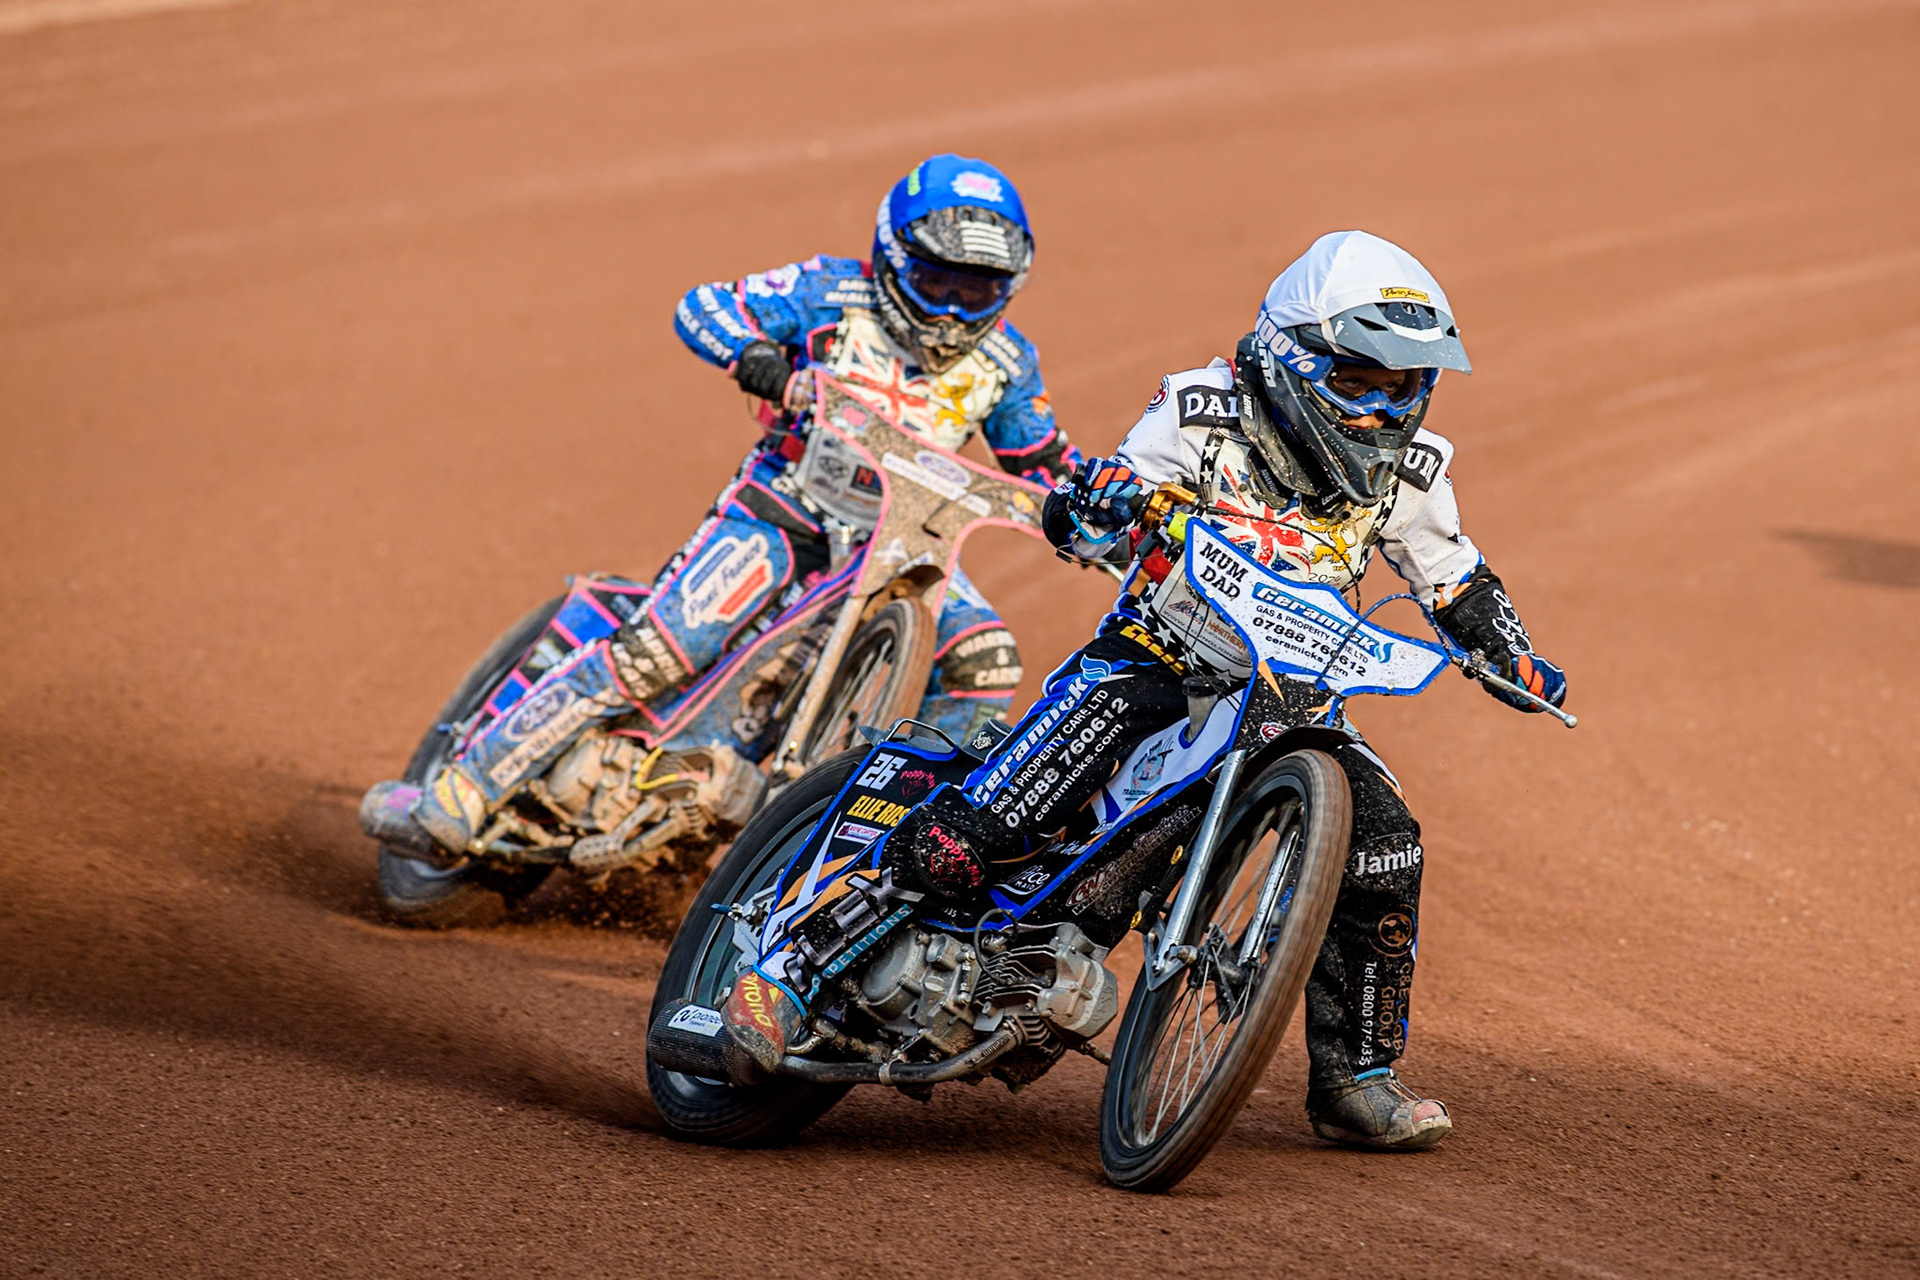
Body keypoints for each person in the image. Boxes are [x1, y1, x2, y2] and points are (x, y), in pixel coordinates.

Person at [733, 230, 1568, 1150]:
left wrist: (1512, 655)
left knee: (1385, 849)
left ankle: (1355, 1077)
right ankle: (793, 967)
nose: (1379, 414)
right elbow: (1103, 502)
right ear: (1290, 359)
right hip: (1157, 657)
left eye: (1403, 389)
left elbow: (1456, 580)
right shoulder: (1204, 410)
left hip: (1292, 700)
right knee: (1008, 812)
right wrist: (1104, 503)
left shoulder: (1416, 473)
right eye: (1357, 384)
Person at [372, 154, 1081, 857]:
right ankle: (461, 792)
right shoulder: (831, 292)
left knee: (986, 661)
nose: (955, 310)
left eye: (979, 291)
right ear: (892, 260)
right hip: (786, 510)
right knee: (663, 646)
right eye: (936, 282)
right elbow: (704, 308)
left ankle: (901, 853)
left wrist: (1110, 507)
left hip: (911, 542)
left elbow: (1044, 462)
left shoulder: (1008, 364)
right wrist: (767, 370)